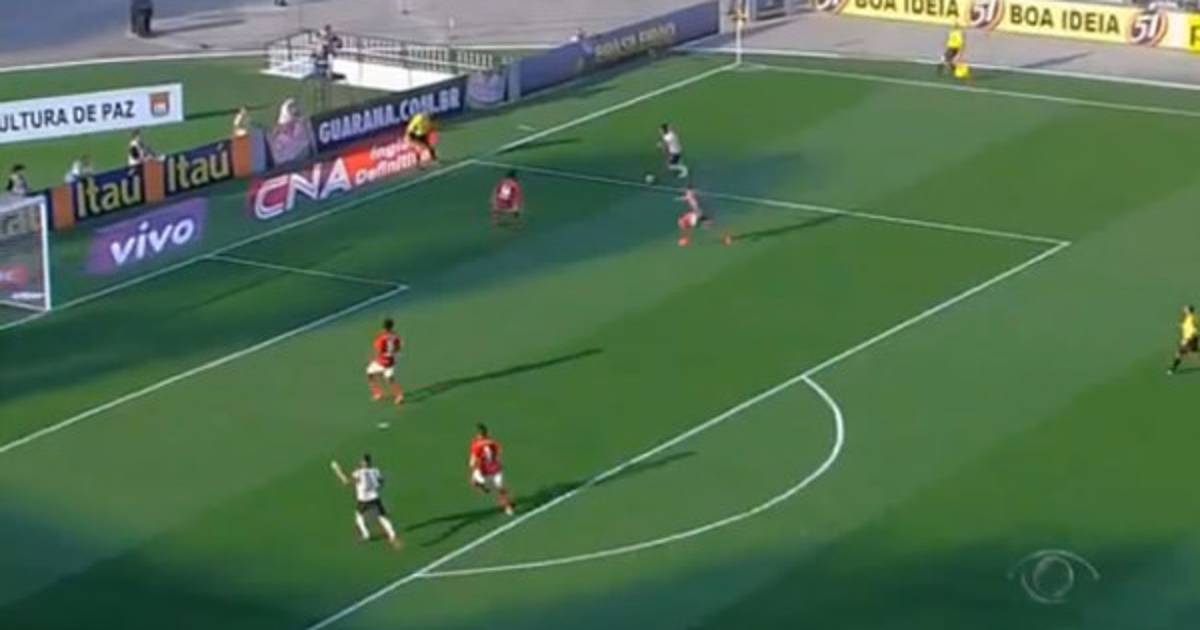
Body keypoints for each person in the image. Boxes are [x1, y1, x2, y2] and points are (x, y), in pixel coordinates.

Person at [330, 454, 402, 549]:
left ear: (362, 462)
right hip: (375, 498)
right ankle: (392, 534)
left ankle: (366, 534)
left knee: (358, 516)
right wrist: (375, 488)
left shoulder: (358, 473)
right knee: (382, 516)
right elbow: (381, 482)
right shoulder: (375, 471)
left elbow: (346, 482)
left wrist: (338, 470)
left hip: (363, 500)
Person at [469, 424, 514, 516]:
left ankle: (483, 487)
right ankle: (508, 507)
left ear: (478, 434)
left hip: (485, 471)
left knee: (474, 481)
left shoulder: (476, 445)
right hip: (495, 469)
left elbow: (472, 462)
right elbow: (498, 452)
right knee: (500, 488)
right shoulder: (492, 442)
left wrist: (474, 466)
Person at [366, 318, 405, 404]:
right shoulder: (395, 336)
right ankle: (399, 395)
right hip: (391, 361)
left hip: (382, 361)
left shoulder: (381, 337)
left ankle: (377, 393)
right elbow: (399, 347)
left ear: (383, 327)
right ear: (392, 326)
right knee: (390, 379)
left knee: (369, 373)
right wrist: (395, 354)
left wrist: (373, 359)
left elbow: (378, 350)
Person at [1168, 305, 1199, 374]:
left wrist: (1186, 340)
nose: (1184, 309)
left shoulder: (1192, 318)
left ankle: (1172, 369)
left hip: (1190, 339)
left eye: (1186, 309)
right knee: (1193, 352)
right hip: (1190, 339)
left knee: (1179, 353)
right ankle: (1172, 368)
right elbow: (1187, 326)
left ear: (1189, 311)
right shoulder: (1187, 318)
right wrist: (1181, 326)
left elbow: (1194, 330)